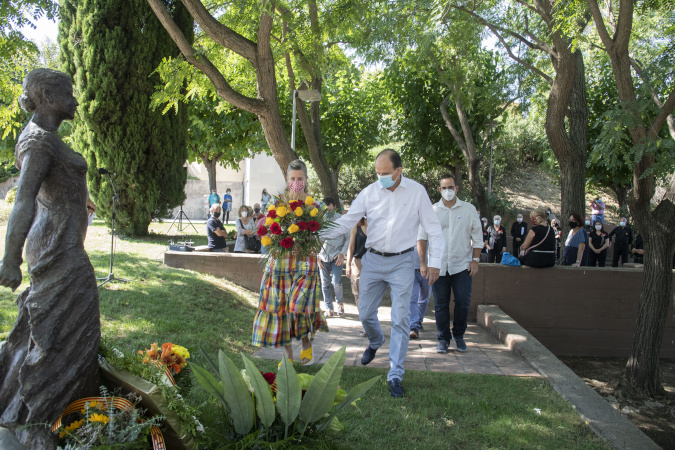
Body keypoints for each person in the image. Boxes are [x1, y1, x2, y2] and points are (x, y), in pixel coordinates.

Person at [0, 69, 99, 447]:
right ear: (45, 95)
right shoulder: (39, 142)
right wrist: (10, 259)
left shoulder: (48, 138)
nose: (75, 100)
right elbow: (23, 199)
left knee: (52, 327)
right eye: (68, 93)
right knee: (70, 326)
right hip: (57, 247)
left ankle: (32, 410)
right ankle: (48, 420)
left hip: (62, 242)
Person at [321, 149, 443, 398]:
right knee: (365, 313)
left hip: (402, 262)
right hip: (373, 260)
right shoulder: (368, 192)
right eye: (377, 173)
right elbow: (347, 221)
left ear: (399, 171)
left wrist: (435, 263)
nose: (380, 178)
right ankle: (376, 342)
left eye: (385, 173)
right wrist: (315, 230)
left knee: (400, 319)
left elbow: (434, 229)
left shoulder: (417, 192)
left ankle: (395, 374)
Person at [252, 160, 327, 366]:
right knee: (281, 309)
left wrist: (314, 246)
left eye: (300, 179)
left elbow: (325, 232)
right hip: (280, 264)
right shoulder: (276, 203)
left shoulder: (315, 205)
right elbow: (268, 228)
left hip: (305, 263)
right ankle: (287, 355)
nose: (296, 182)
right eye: (292, 179)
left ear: (306, 179)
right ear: (287, 179)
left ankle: (305, 344)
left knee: (299, 307)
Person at [418, 174, 482, 353]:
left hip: (462, 265)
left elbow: (477, 237)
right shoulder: (431, 211)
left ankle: (459, 335)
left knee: (463, 302)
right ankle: (443, 339)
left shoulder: (469, 210)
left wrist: (475, 260)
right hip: (437, 266)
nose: (448, 191)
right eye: (444, 188)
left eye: (451, 187)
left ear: (457, 188)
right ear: (439, 190)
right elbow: (422, 238)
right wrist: (423, 263)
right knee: (440, 304)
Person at [318, 196, 350, 317]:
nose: (327, 211)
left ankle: (340, 304)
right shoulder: (321, 221)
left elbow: (348, 238)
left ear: (335, 206)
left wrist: (342, 254)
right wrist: (318, 256)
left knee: (336, 281)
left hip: (337, 255)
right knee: (324, 283)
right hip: (323, 256)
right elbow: (317, 240)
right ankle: (328, 308)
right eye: (325, 209)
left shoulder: (342, 220)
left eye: (329, 208)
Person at [345, 216, 368, 336]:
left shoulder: (375, 225)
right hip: (358, 262)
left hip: (372, 262)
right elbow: (351, 247)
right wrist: (348, 265)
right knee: (357, 293)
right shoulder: (355, 227)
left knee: (370, 293)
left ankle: (370, 322)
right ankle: (365, 324)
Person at [408, 247, 431, 339]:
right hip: (413, 270)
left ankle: (419, 320)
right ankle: (413, 326)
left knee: (424, 299)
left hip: (428, 271)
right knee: (413, 298)